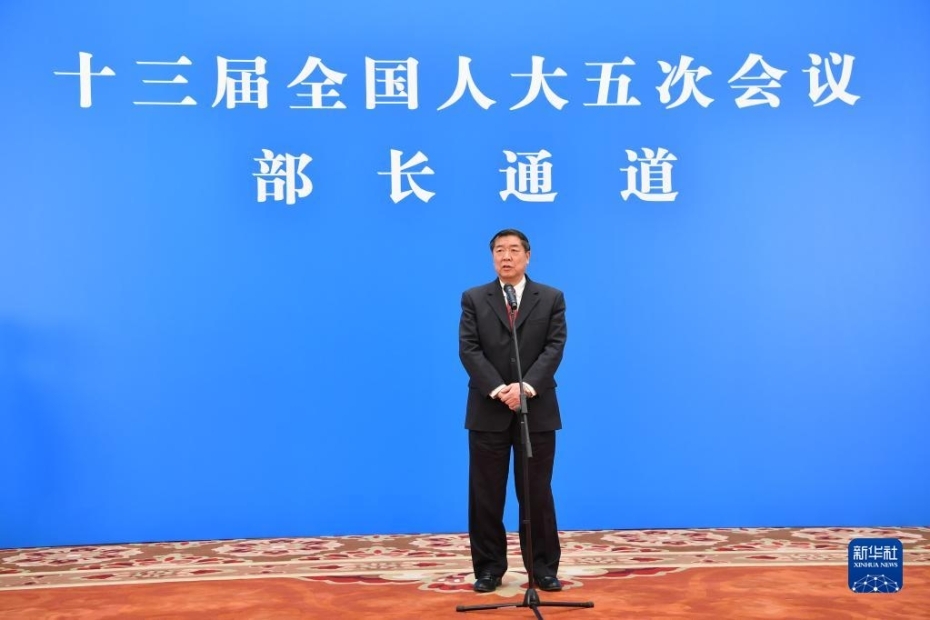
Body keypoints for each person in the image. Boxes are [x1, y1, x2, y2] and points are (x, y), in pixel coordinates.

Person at [458, 228, 567, 594]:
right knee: (485, 495)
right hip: (488, 408)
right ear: (492, 257)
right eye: (499, 250)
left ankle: (543, 569)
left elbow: (554, 347)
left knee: (537, 493)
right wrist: (499, 389)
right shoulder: (474, 298)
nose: (506, 256)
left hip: (536, 409)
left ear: (528, 256)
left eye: (514, 250)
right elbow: (469, 349)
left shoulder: (550, 298)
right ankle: (489, 568)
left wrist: (526, 387)